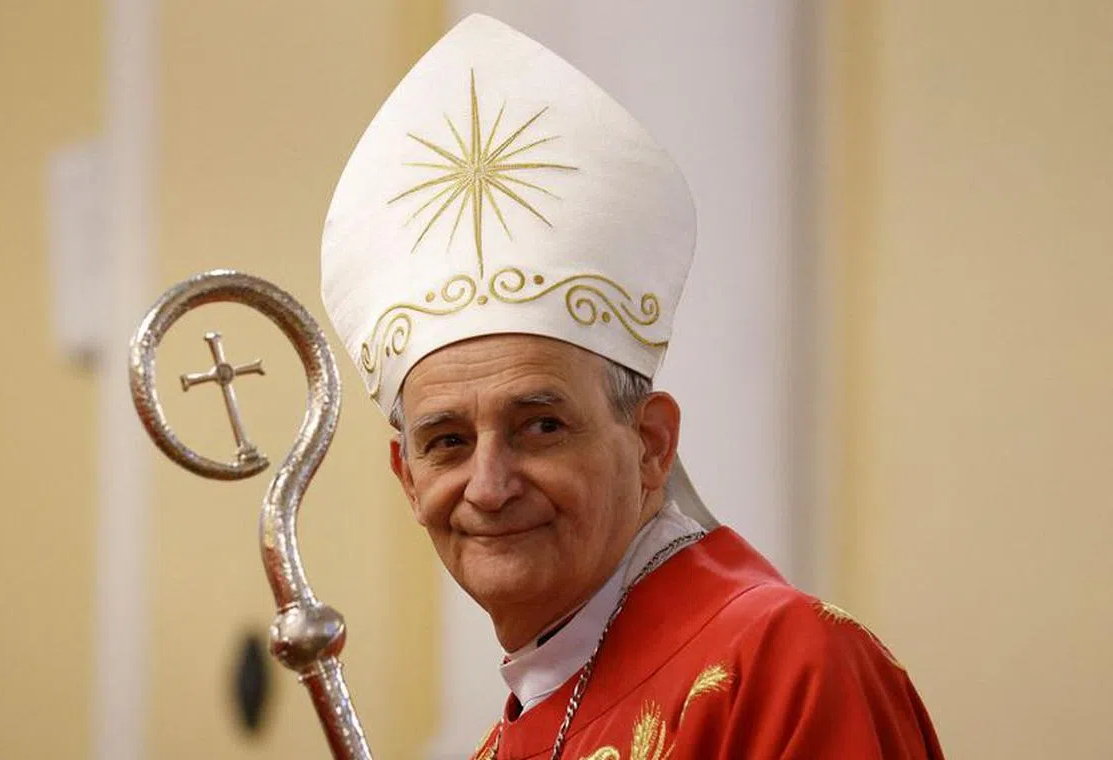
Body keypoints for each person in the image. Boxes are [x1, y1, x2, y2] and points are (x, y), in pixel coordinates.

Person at [320, 13, 944, 759]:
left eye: (540, 425)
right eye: (447, 442)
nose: (488, 486)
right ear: (408, 478)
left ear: (650, 444)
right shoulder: (503, 743)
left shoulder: (784, 668)